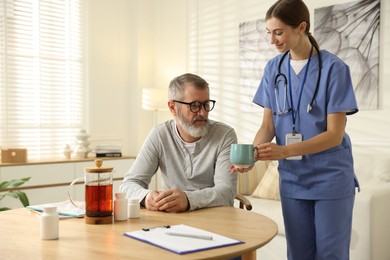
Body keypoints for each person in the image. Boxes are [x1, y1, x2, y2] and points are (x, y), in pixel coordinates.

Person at [233, 0, 360, 259]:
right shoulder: (274, 69)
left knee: (330, 254)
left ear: (301, 27)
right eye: (269, 33)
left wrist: (285, 150)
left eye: (278, 32)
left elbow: (334, 135)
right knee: (298, 254)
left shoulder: (335, 69)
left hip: (330, 177)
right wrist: (253, 154)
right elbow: (268, 125)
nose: (272, 40)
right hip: (293, 178)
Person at [120, 73, 237, 213]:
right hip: (173, 219)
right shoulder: (160, 135)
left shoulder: (225, 135)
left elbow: (226, 191)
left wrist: (188, 199)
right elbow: (128, 184)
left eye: (206, 104)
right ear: (172, 107)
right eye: (194, 105)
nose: (203, 112)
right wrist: (146, 197)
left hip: (215, 217)